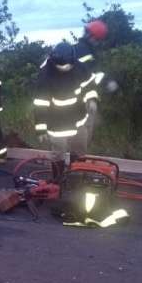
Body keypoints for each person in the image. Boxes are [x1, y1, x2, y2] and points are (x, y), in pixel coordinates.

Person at [33, 42, 94, 181]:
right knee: (58, 153)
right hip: (57, 123)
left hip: (78, 118)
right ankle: (58, 181)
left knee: (79, 150)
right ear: (54, 61)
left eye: (67, 65)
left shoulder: (80, 67)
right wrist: (41, 130)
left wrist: (91, 100)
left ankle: (76, 180)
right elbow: (40, 104)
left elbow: (89, 86)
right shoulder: (45, 74)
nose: (64, 68)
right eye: (60, 65)